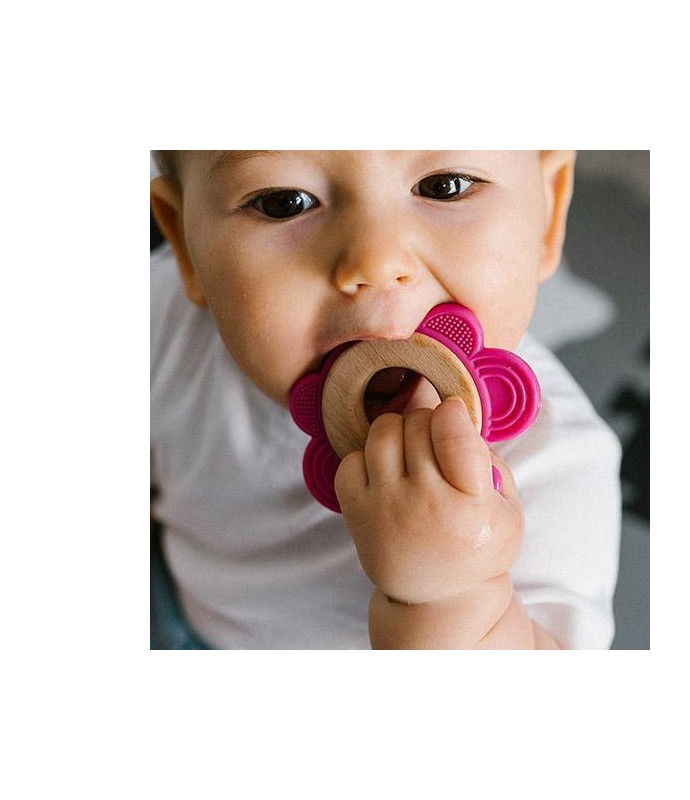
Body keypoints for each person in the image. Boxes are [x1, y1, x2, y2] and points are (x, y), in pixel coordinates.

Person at [150, 150, 621, 649]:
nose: (376, 262)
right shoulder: (167, 320)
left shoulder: (556, 465)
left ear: (547, 213)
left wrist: (455, 596)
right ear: (186, 244)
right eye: (284, 202)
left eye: (445, 186)